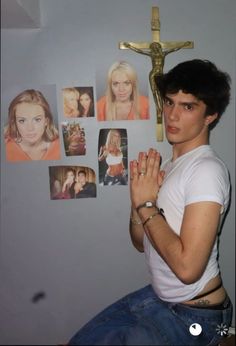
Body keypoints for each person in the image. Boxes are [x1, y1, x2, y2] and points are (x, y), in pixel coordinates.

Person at [68, 59, 233, 346]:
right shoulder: (169, 165)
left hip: (198, 316)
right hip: (160, 298)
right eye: (169, 102)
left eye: (188, 106)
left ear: (210, 116)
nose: (172, 115)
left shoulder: (206, 170)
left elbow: (187, 269)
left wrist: (147, 206)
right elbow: (141, 242)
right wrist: (138, 203)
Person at [123, 41, 191, 117]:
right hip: (153, 74)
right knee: (154, 92)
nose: (155, 49)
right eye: (153, 47)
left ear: (159, 47)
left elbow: (174, 49)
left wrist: (183, 44)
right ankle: (159, 109)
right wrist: (130, 46)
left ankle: (161, 108)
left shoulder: (163, 54)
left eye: (156, 47)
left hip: (160, 74)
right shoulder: (152, 54)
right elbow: (140, 51)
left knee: (163, 92)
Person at [4, 89, 61, 161]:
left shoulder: (60, 147)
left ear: (46, 121)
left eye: (37, 120)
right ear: (15, 122)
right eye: (22, 121)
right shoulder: (6, 149)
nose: (30, 128)